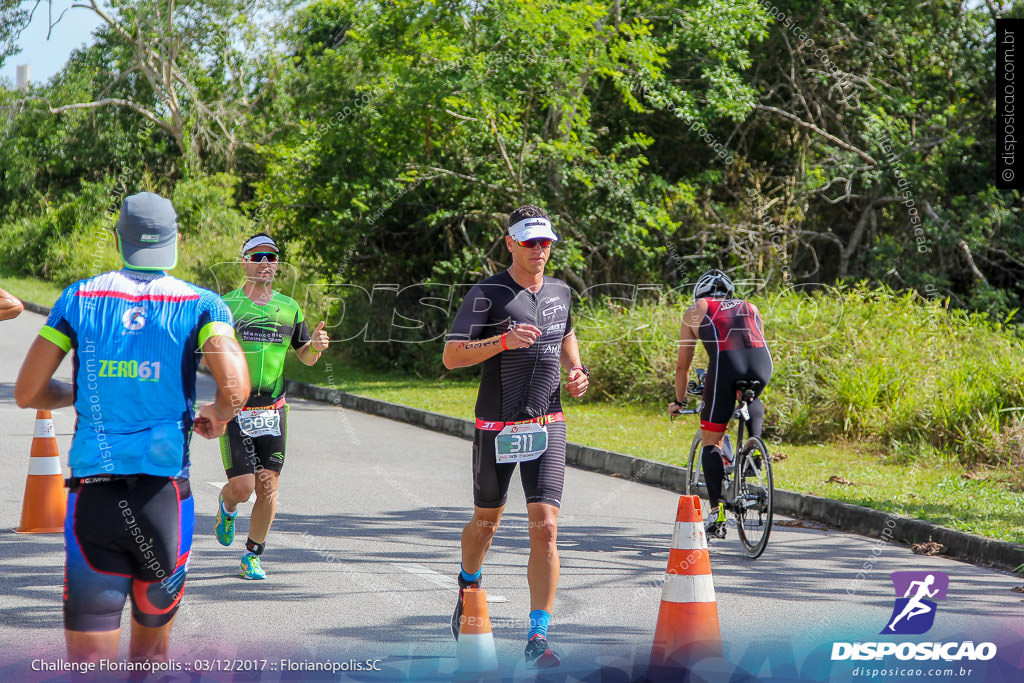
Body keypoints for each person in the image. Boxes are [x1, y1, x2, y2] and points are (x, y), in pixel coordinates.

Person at [13, 191, 249, 663]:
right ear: (176, 240)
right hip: (165, 501)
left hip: (93, 500)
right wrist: (217, 416)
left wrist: (77, 394)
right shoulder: (202, 304)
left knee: (87, 667)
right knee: (150, 662)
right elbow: (237, 388)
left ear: (119, 238)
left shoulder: (78, 297)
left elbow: (29, 392)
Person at [442, 205, 589, 669]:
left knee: (546, 526)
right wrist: (501, 342)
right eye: (530, 242)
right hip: (497, 426)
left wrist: (576, 370)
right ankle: (469, 580)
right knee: (486, 524)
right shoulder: (487, 293)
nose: (539, 250)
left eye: (546, 242)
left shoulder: (562, 292)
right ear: (510, 243)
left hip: (548, 422)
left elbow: (566, 334)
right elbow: (451, 356)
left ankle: (538, 634)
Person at [214, 232, 329, 580]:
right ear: (244, 260)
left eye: (272, 257)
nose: (266, 263)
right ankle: (227, 506)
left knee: (267, 486)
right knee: (243, 487)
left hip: (273, 410)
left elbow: (305, 357)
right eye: (258, 256)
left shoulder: (289, 307)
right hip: (236, 409)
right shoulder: (226, 305)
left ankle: (252, 554)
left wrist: (318, 346)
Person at [668, 269, 773, 538]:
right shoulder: (751, 306)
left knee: (711, 441)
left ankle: (718, 515)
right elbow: (754, 340)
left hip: (727, 365)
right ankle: (756, 445)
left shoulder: (697, 308)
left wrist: (679, 401)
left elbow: (683, 366)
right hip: (763, 365)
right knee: (751, 393)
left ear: (699, 294)